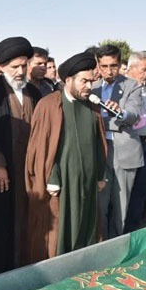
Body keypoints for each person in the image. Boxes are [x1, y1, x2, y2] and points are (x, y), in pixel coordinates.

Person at [26, 51, 107, 262]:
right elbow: (41, 147)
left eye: (91, 81)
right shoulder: (49, 105)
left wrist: (101, 174)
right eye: (83, 81)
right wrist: (52, 177)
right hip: (63, 183)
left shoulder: (92, 106)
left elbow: (98, 143)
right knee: (60, 230)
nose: (88, 86)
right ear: (68, 80)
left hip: (88, 181)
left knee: (87, 225)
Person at [0, 36, 42, 276]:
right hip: (3, 169)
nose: (20, 71)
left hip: (29, 168)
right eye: (15, 67)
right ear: (2, 66)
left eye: (24, 65)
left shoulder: (34, 91)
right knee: (0, 220)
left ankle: (22, 267)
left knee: (27, 218)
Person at [91, 44, 142, 239]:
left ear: (120, 64)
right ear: (98, 65)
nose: (109, 71)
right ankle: (101, 242)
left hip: (125, 152)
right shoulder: (92, 87)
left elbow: (134, 115)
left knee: (121, 206)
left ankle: (116, 242)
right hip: (100, 151)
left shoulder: (132, 85)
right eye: (104, 66)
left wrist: (121, 112)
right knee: (99, 204)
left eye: (113, 66)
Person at [124, 51, 146, 232]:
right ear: (132, 68)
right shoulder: (123, 88)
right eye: (144, 70)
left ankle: (135, 226)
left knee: (141, 189)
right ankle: (124, 230)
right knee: (127, 191)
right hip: (131, 143)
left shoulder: (145, 90)